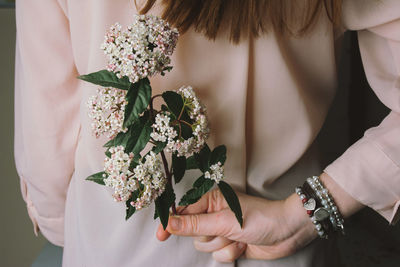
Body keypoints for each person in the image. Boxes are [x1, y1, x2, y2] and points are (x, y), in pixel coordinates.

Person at [15, 0, 400, 266]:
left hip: (120, 245)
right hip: (280, 244)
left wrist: (67, 230)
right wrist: (307, 212)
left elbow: (46, 139)